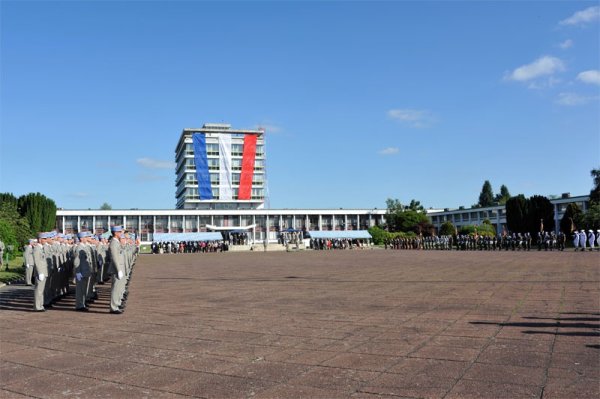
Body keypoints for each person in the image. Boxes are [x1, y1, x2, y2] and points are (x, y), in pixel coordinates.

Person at [108, 226, 126, 314]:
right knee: (116, 288)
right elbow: (115, 258)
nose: (121, 233)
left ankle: (117, 304)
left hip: (120, 268)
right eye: (120, 232)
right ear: (115, 233)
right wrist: (119, 270)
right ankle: (114, 307)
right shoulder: (113, 243)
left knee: (118, 288)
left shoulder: (117, 242)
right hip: (116, 269)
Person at [32, 232, 50, 312]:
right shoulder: (37, 248)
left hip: (43, 271)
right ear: (40, 240)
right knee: (38, 290)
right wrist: (39, 272)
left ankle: (40, 305)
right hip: (41, 272)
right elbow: (36, 261)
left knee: (41, 290)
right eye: (44, 239)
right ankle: (37, 306)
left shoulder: (41, 248)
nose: (46, 240)